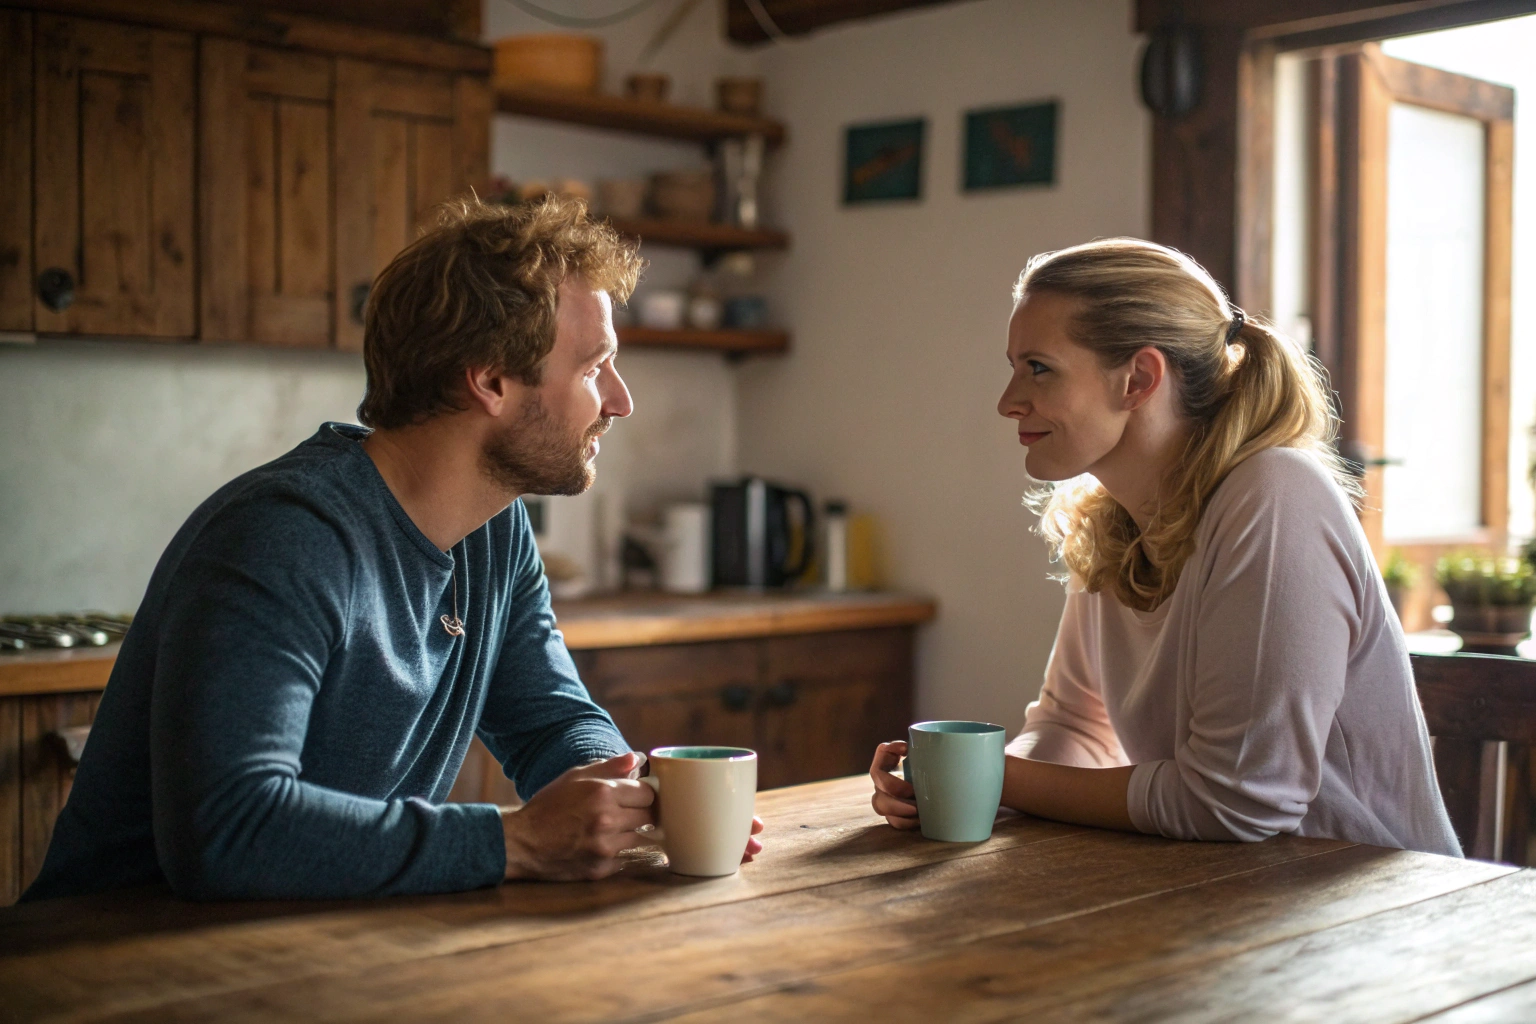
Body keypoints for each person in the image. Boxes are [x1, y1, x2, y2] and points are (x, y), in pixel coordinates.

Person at [24, 196, 762, 902]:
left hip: (302, 944)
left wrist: (632, 794)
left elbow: (548, 721)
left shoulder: (494, 530)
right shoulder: (285, 535)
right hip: (115, 964)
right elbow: (228, 829)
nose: (620, 401)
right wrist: (518, 842)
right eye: (595, 366)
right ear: (491, 381)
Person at [870, 238, 1458, 857]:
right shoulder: (1109, 521)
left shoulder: (1276, 498)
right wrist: (955, 788)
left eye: (1038, 368)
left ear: (1139, 378)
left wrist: (995, 776)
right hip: (1222, 899)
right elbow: (1075, 725)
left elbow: (1241, 799)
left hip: (1378, 920)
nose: (1008, 401)